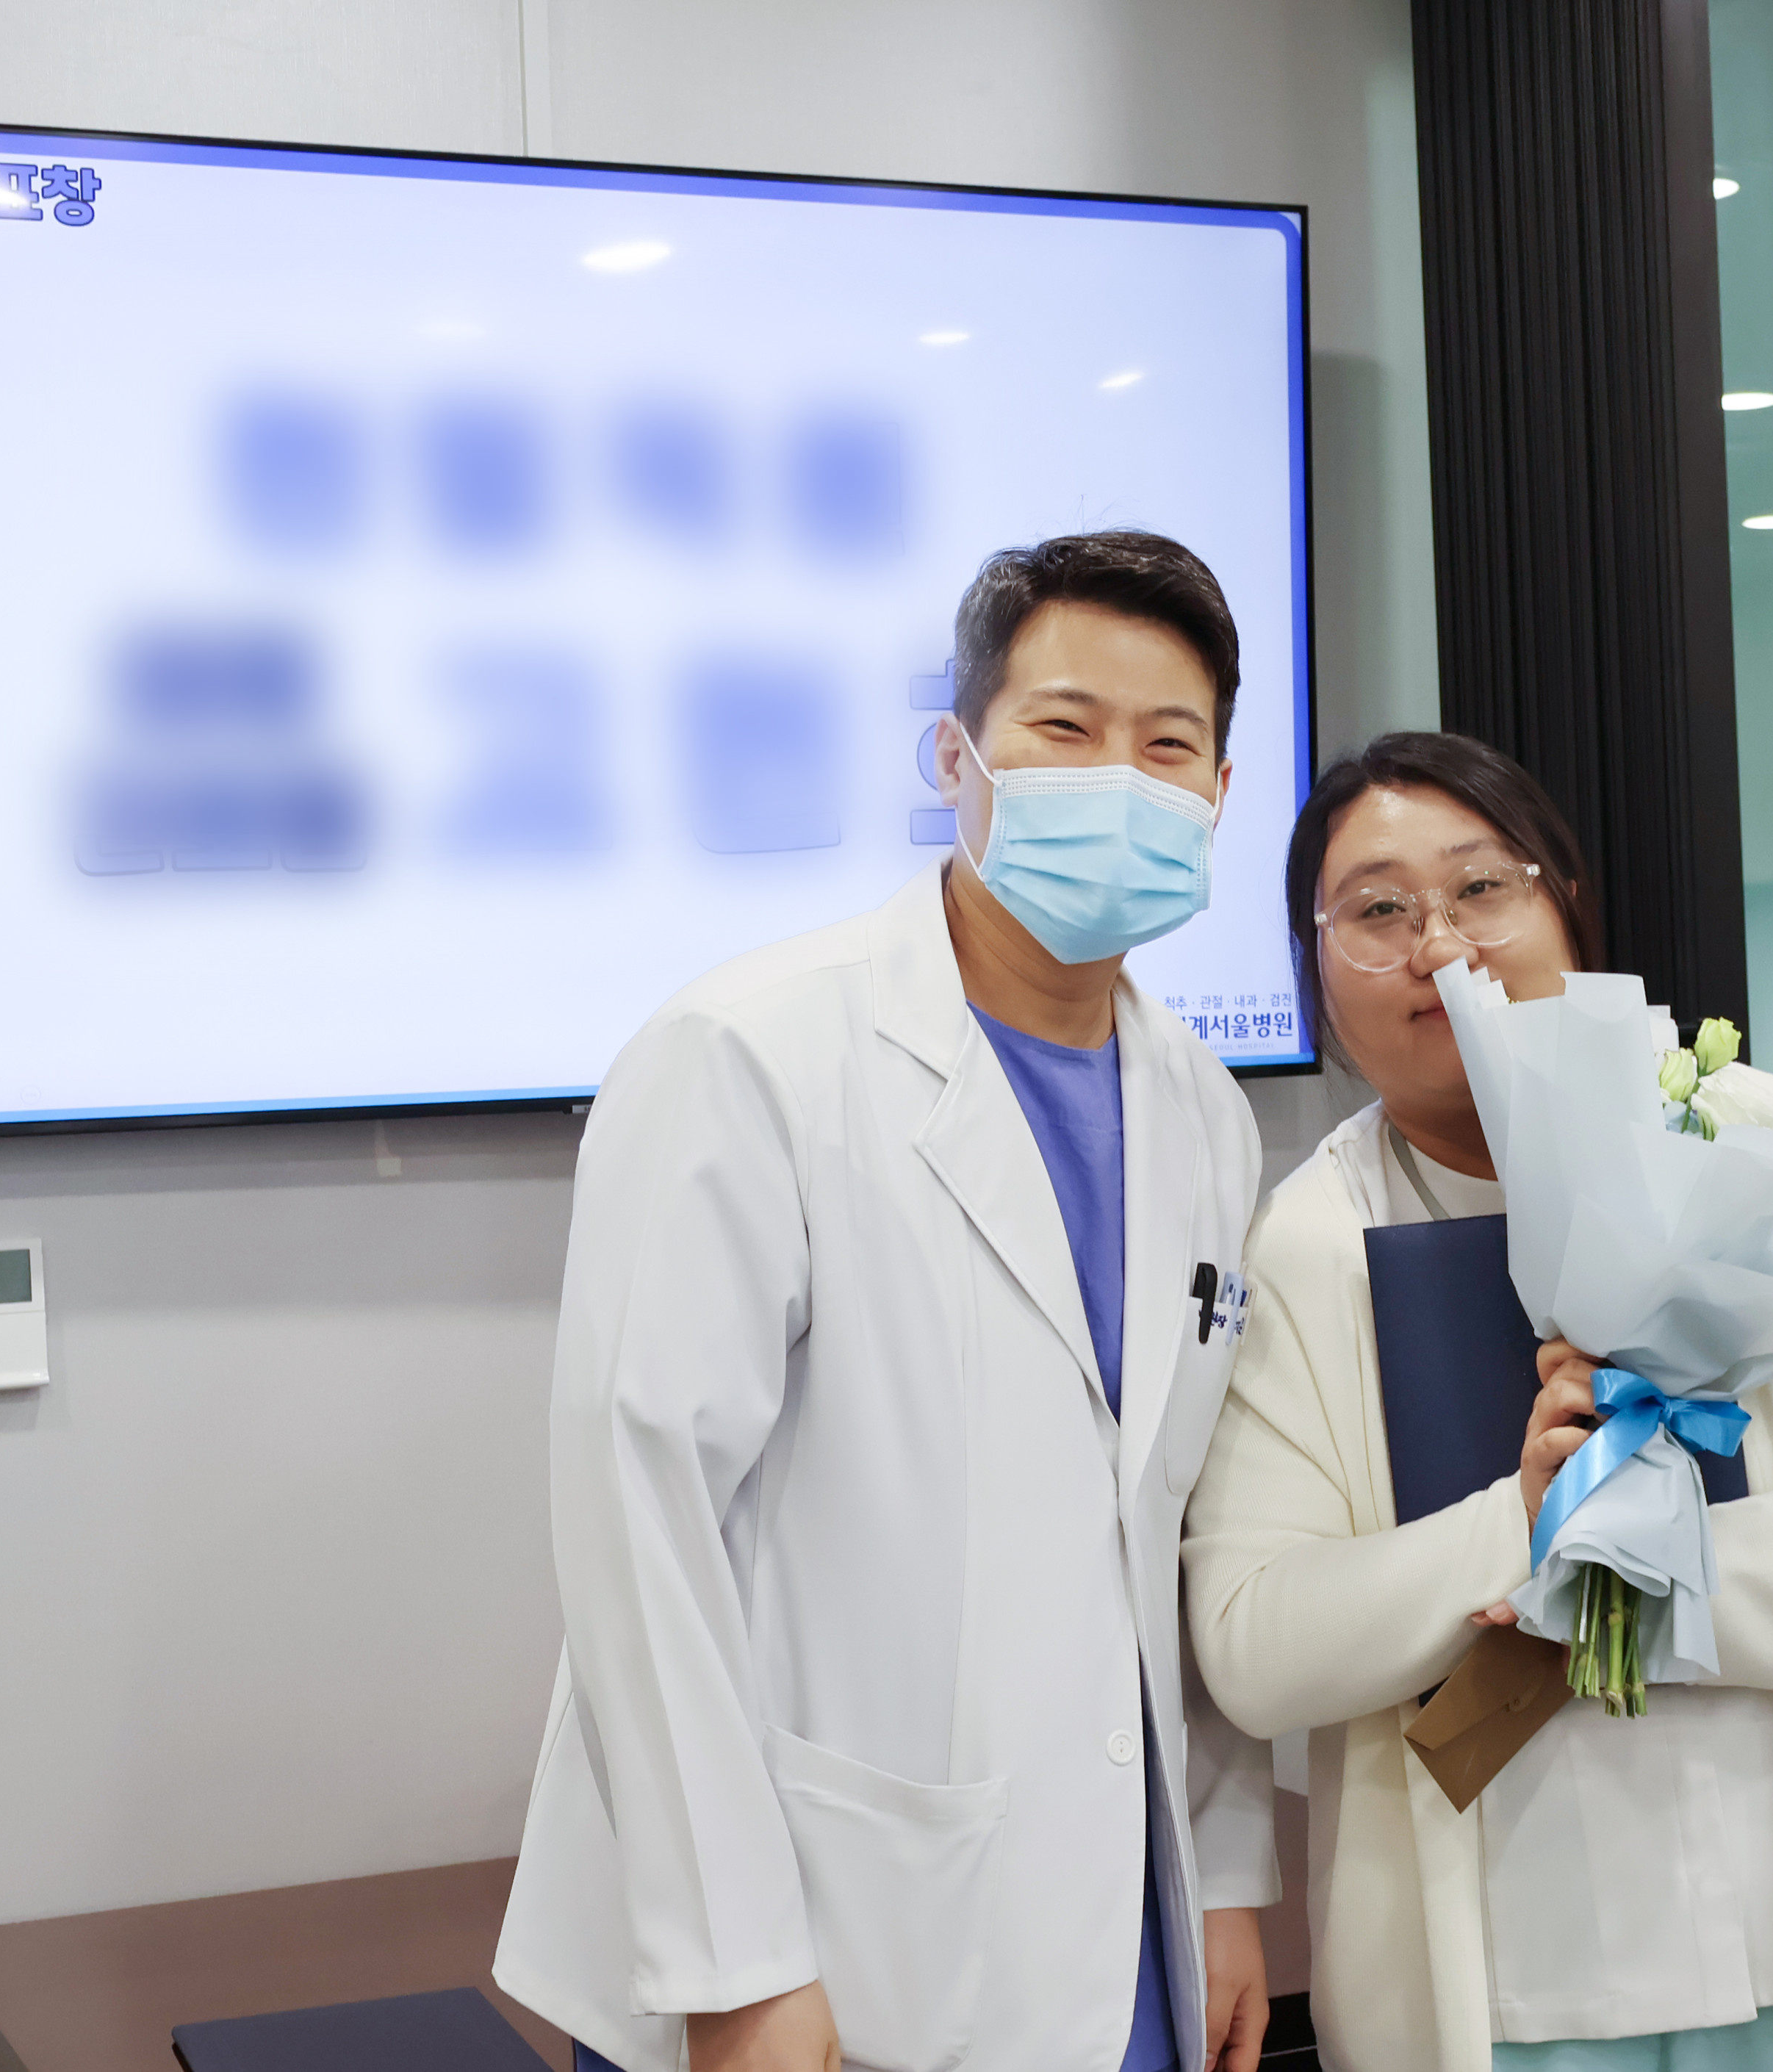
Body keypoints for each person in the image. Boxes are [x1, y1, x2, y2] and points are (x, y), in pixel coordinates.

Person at [495, 533, 1277, 2072]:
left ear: (1219, 793)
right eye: (1064, 727)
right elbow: (636, 1517)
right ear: (954, 757)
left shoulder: (1204, 1110)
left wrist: (1229, 1869)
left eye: (1166, 747)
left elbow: (1175, 1526)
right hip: (816, 1941)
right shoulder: (750, 1053)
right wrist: (736, 1962)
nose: (1117, 780)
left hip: (1112, 1922)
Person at [1182, 733, 1773, 2072]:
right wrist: (1523, 1524)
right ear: (1317, 971)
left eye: (1482, 887)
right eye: (1378, 912)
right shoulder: (1304, 1247)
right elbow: (1253, 1644)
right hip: (1494, 2007)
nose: (1439, 945)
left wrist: (1652, 1571)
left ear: (1566, 905)